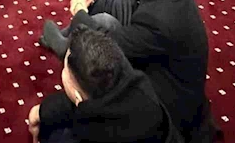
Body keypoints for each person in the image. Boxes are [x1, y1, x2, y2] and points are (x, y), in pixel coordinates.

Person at [40, 0, 214, 142]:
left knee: (103, 38)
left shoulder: (162, 21)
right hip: (158, 65)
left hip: (166, 104)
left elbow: (112, 43)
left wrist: (80, 10)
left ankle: (70, 45)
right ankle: (74, 37)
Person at [30, 27, 182, 143]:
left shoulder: (85, 134)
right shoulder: (140, 88)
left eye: (64, 70)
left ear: (78, 99)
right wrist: (42, 111)